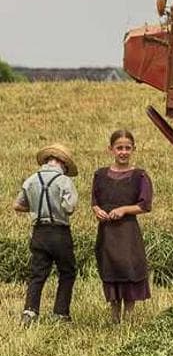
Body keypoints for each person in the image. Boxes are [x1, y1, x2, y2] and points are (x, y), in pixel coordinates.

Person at [92, 128, 153, 324]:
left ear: (134, 149)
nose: (123, 152)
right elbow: (94, 201)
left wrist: (125, 209)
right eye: (119, 148)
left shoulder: (140, 176)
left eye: (127, 148)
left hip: (128, 233)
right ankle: (114, 316)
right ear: (111, 149)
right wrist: (97, 210)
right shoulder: (100, 175)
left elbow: (145, 205)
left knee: (129, 270)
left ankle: (129, 317)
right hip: (107, 233)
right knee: (111, 270)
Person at [14, 142, 79, 325]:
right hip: (59, 232)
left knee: (37, 273)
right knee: (67, 272)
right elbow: (69, 208)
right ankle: (60, 314)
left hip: (39, 232)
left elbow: (17, 205)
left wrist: (36, 207)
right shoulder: (65, 181)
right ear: (62, 163)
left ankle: (30, 312)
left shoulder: (31, 179)